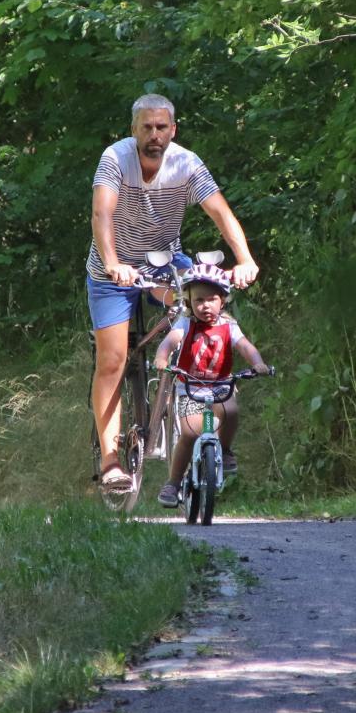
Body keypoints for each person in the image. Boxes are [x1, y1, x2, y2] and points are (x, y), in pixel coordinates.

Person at [88, 93, 259, 490]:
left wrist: (245, 259)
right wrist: (113, 263)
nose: (154, 134)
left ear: (173, 130)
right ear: (133, 130)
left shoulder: (186, 163)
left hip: (165, 263)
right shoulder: (115, 159)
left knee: (204, 314)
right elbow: (102, 214)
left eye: (161, 127)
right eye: (147, 127)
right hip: (113, 271)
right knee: (113, 359)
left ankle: (211, 434)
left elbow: (220, 211)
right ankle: (111, 461)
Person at [153, 262, 270, 507]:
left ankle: (224, 451)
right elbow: (170, 341)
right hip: (190, 385)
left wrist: (258, 363)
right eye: (199, 300)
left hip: (220, 384)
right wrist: (162, 358)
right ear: (188, 302)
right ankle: (173, 483)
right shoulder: (185, 324)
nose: (205, 305)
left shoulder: (229, 326)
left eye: (212, 299)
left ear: (223, 300)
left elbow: (245, 347)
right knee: (190, 433)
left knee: (231, 411)